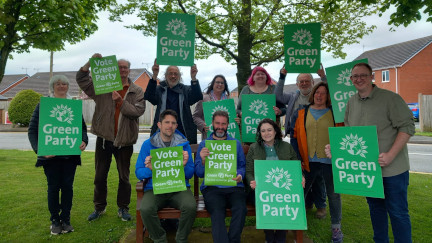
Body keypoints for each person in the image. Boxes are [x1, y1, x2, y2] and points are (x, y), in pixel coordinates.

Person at [326, 62, 415, 243]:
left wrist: (390, 154)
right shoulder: (351, 102)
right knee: (376, 210)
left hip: (393, 171)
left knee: (398, 213)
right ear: (351, 80)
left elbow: (407, 127)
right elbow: (350, 135)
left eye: (363, 75)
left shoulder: (390, 98)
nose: (359, 79)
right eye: (355, 76)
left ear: (371, 77)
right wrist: (336, 150)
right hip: (367, 171)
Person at [76, 53, 146, 221]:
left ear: (129, 70)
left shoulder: (136, 91)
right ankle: (99, 208)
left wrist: (120, 101)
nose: (122, 70)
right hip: (104, 139)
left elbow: (137, 112)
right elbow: (82, 79)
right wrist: (90, 62)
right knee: (99, 176)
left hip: (125, 140)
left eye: (125, 67)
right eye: (119, 67)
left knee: (124, 177)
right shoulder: (103, 86)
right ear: (115, 69)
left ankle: (123, 208)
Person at [28, 75, 88, 235]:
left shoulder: (73, 106)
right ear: (52, 87)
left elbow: (82, 127)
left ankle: (66, 219)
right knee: (53, 188)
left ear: (68, 87)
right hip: (51, 157)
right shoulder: (44, 105)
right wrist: (40, 150)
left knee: (68, 188)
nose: (61, 86)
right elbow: (32, 130)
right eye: (58, 84)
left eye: (64, 84)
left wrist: (84, 140)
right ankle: (55, 220)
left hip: (70, 156)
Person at [291, 82, 343, 243]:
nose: (320, 96)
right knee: (300, 192)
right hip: (308, 162)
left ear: (328, 96)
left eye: (324, 93)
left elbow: (342, 137)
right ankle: (295, 225)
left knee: (333, 195)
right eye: (317, 92)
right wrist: (297, 159)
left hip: (330, 161)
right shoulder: (302, 113)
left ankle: (336, 228)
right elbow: (295, 138)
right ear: (313, 94)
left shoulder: (335, 113)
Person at [136, 109, 196, 243]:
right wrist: (151, 169)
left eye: (173, 123)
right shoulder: (148, 145)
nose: (170, 125)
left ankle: (181, 239)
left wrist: (184, 165)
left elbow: (190, 174)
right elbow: (138, 171)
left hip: (179, 188)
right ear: (159, 125)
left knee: (190, 206)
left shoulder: (183, 145)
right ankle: (159, 239)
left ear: (176, 126)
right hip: (155, 188)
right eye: (167, 122)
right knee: (145, 208)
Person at [275, 65, 328, 218]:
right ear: (297, 84)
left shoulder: (319, 95)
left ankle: (321, 206)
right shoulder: (293, 96)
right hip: (296, 139)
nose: (304, 83)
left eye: (307, 81)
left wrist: (323, 77)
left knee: (317, 174)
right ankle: (305, 202)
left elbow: (331, 92)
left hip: (315, 138)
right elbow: (278, 96)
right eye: (301, 81)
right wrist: (282, 76)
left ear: (313, 82)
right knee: (301, 172)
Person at [195, 110, 247, 243]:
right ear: (212, 123)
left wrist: (240, 175)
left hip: (234, 186)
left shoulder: (235, 144)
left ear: (228, 125)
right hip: (212, 188)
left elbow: (242, 165)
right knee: (217, 212)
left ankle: (233, 240)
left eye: (223, 124)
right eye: (217, 123)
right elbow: (199, 173)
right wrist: (202, 160)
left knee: (240, 209)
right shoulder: (204, 144)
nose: (220, 126)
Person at [245, 118, 299, 243]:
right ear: (260, 133)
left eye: (269, 130)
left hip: (283, 189)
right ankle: (269, 237)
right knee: (264, 201)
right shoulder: (254, 148)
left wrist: (300, 177)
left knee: (284, 201)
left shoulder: (287, 146)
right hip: (260, 189)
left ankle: (280, 237)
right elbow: (248, 171)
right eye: (263, 131)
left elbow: (295, 167)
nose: (266, 133)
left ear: (275, 131)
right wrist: (252, 181)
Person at [146, 59, 203, 144]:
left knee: (183, 157)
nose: (173, 76)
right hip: (162, 134)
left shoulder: (185, 90)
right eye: (170, 73)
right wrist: (154, 75)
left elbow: (197, 96)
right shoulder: (160, 89)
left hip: (183, 133)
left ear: (179, 77)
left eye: (176, 74)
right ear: (165, 76)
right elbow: (149, 96)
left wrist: (193, 78)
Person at [193, 74, 231, 140]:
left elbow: (232, 118)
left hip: (226, 137)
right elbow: (195, 116)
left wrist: (236, 120)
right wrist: (202, 125)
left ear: (225, 86)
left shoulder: (229, 100)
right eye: (217, 82)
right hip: (209, 137)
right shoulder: (204, 98)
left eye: (222, 83)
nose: (220, 84)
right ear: (213, 84)